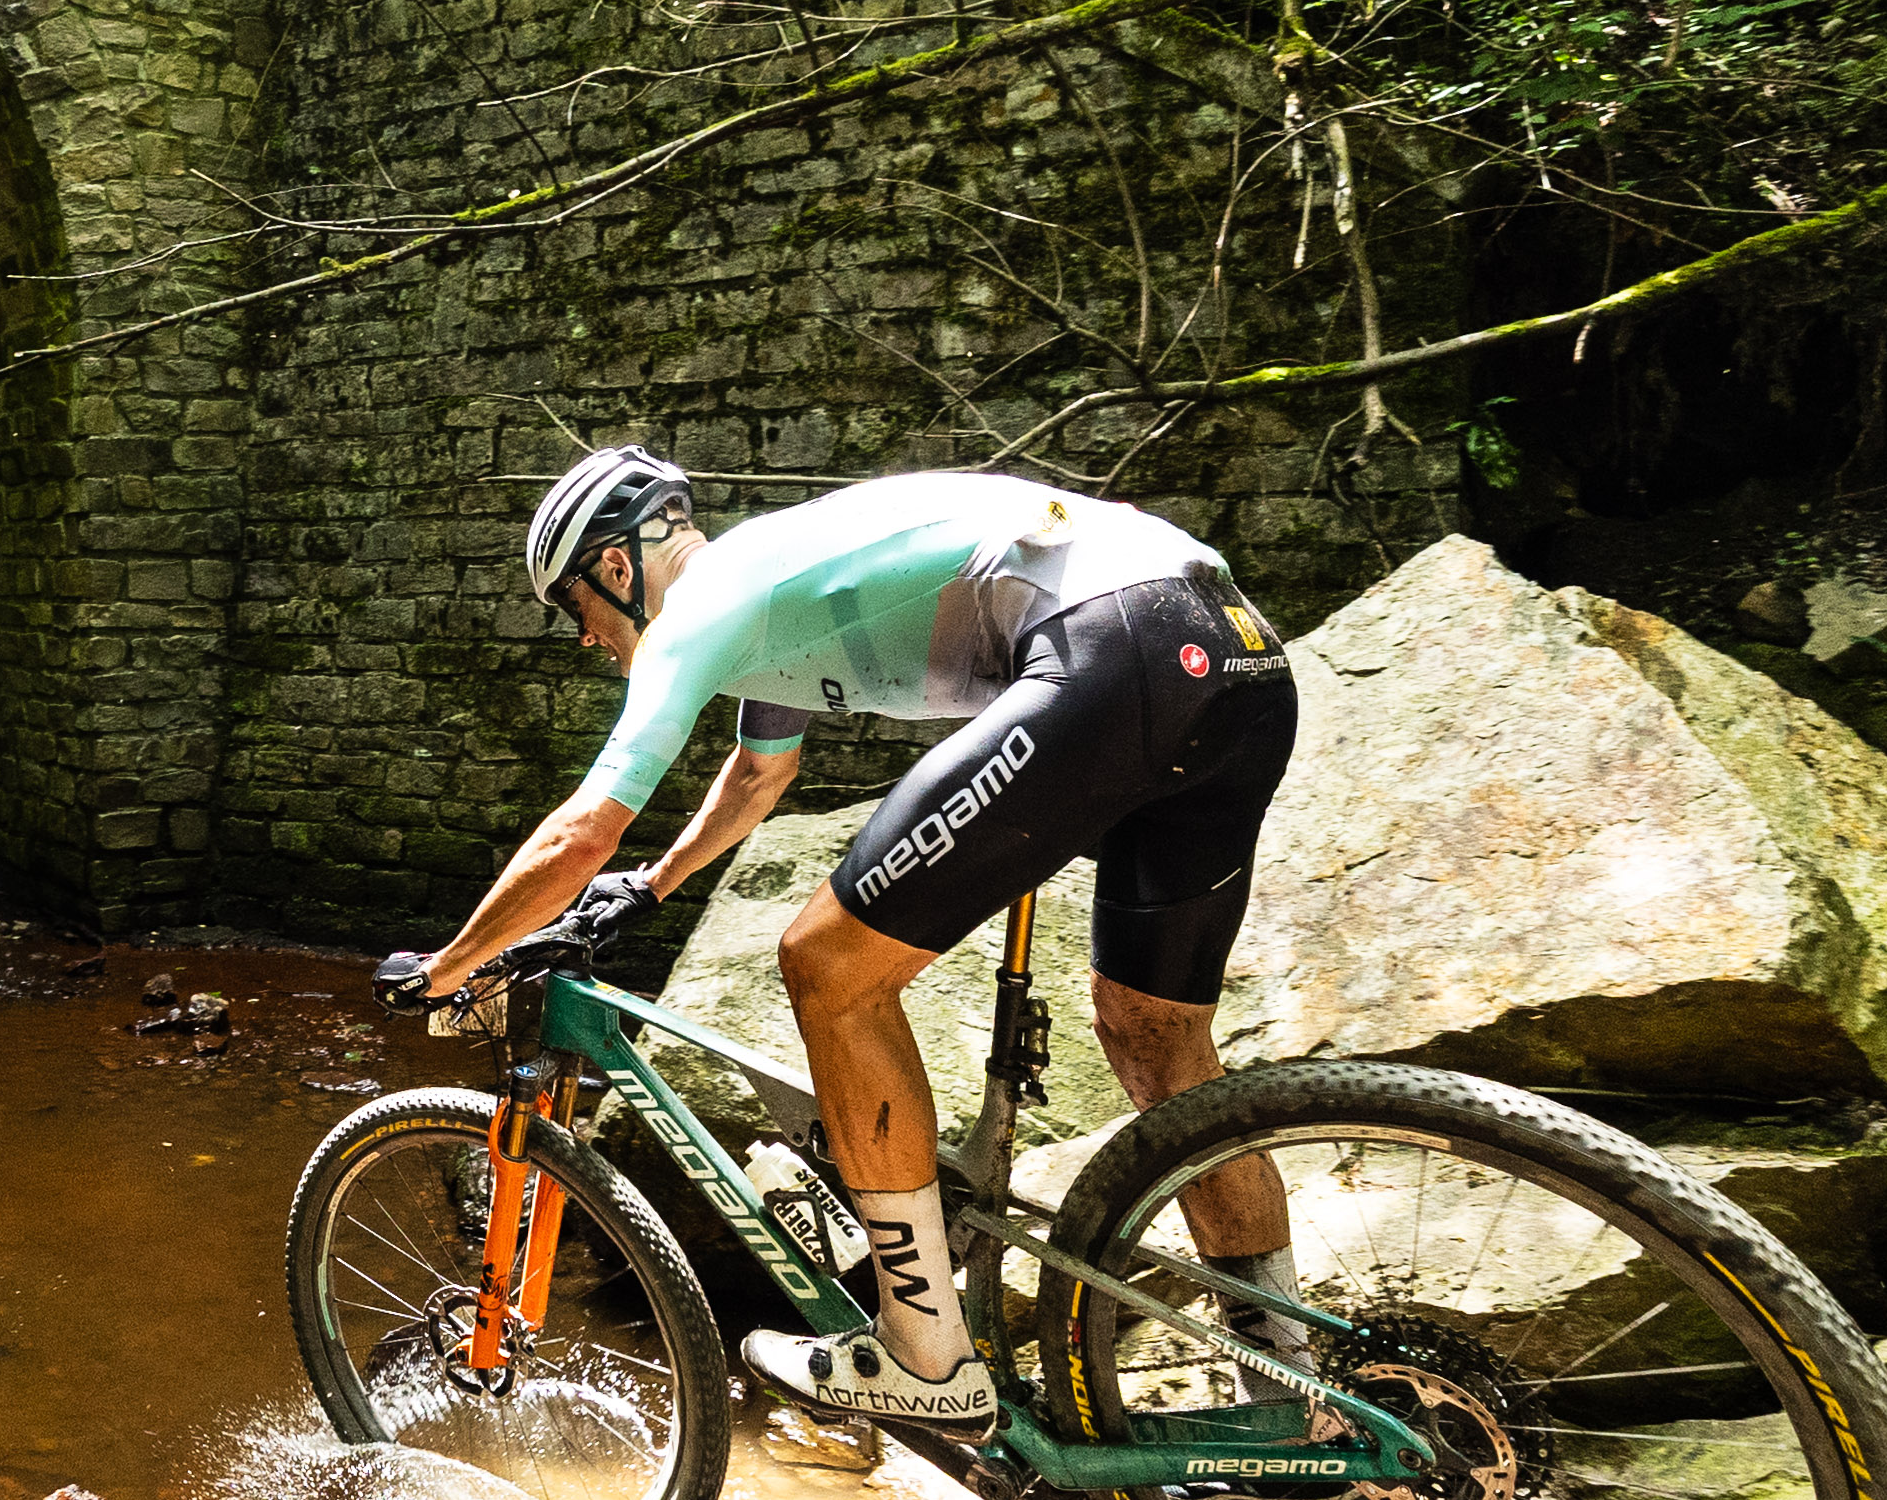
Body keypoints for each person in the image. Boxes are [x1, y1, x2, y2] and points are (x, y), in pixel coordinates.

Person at [385, 447, 1301, 1424]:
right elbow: (754, 775)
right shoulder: (767, 587)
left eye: (572, 608)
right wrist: (652, 886)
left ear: (615, 566)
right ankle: (1289, 1389)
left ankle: (921, 1352)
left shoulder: (700, 606)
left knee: (826, 964)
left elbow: (582, 829)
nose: (581, 639)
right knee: (1154, 1039)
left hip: (1110, 645)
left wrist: (450, 966)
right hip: (1231, 649)